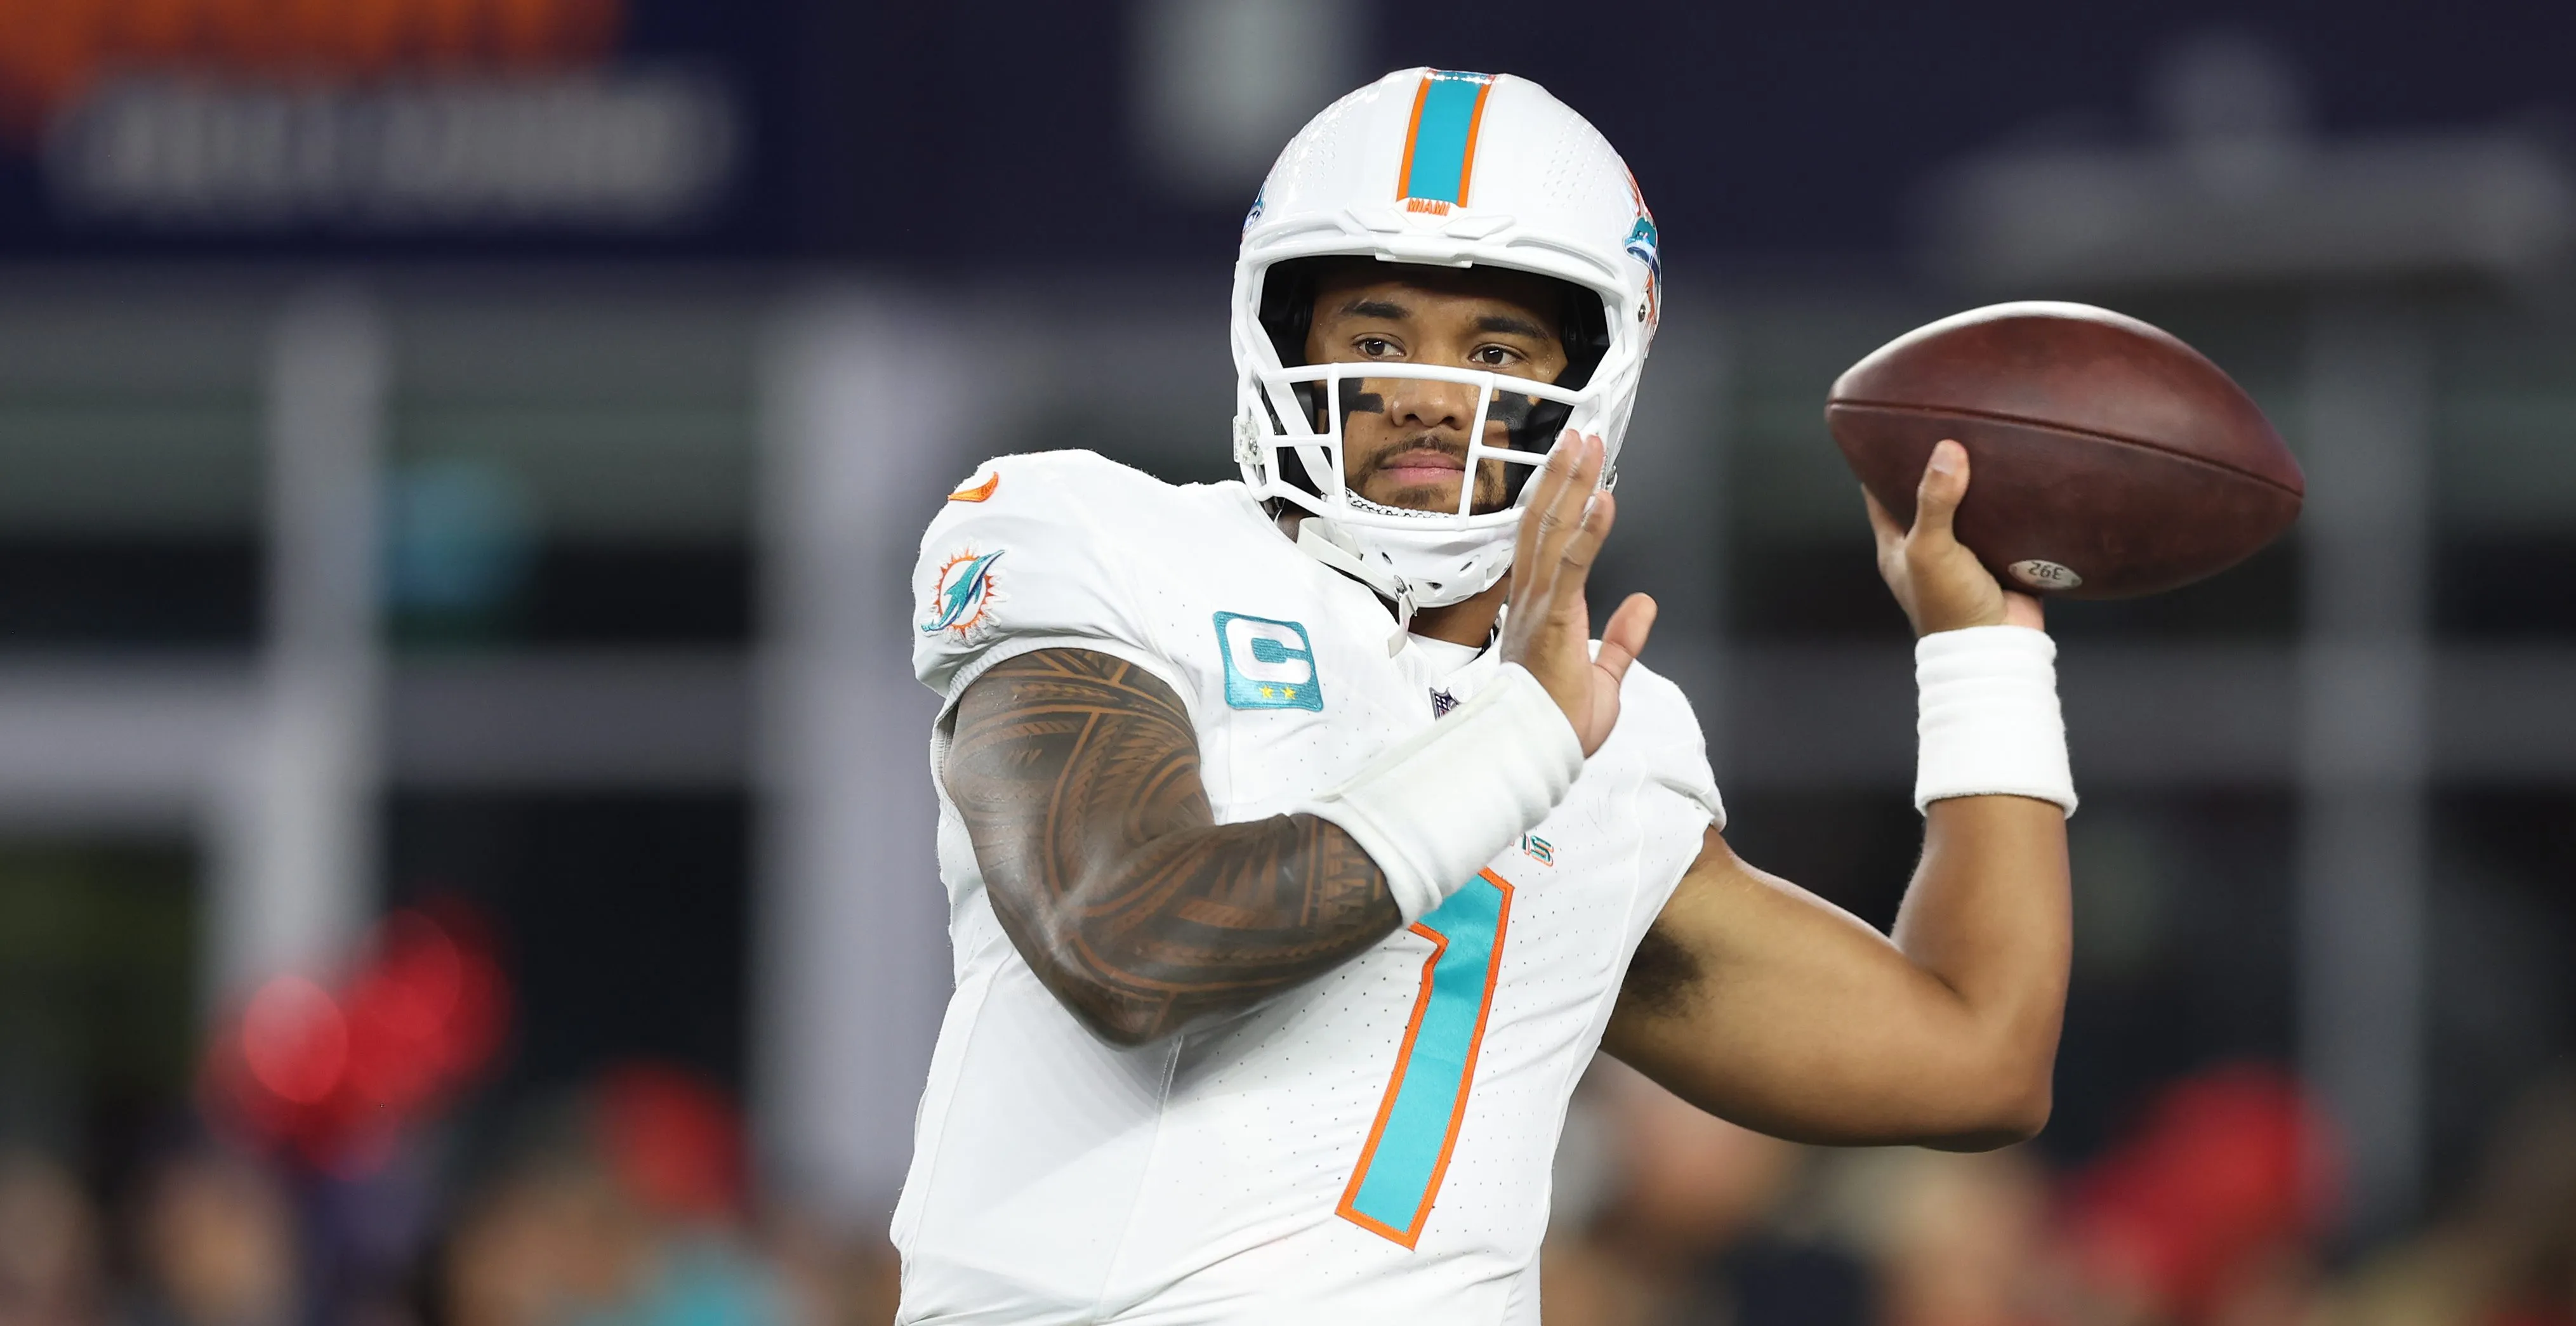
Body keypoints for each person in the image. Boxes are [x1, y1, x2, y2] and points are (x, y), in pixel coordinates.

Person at [894, 68, 2077, 1323]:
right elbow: (1125, 940)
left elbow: (1975, 1062)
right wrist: (1517, 742)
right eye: (1375, 335)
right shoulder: (1096, 538)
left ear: (1597, 381)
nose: (1422, 387)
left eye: (1495, 348)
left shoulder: (1617, 740)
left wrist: (1979, 653)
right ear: (1284, 343)